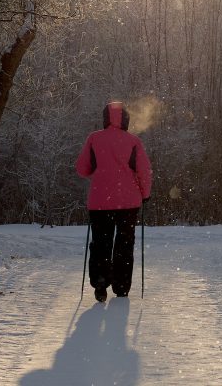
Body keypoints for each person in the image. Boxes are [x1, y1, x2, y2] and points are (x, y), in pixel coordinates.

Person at [75, 101, 152, 302]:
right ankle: (121, 287)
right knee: (124, 244)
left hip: (100, 202)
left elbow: (82, 169)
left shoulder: (94, 139)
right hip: (128, 203)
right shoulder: (133, 141)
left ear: (105, 118)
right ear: (126, 119)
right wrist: (145, 194)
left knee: (101, 243)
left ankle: (100, 285)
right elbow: (144, 171)